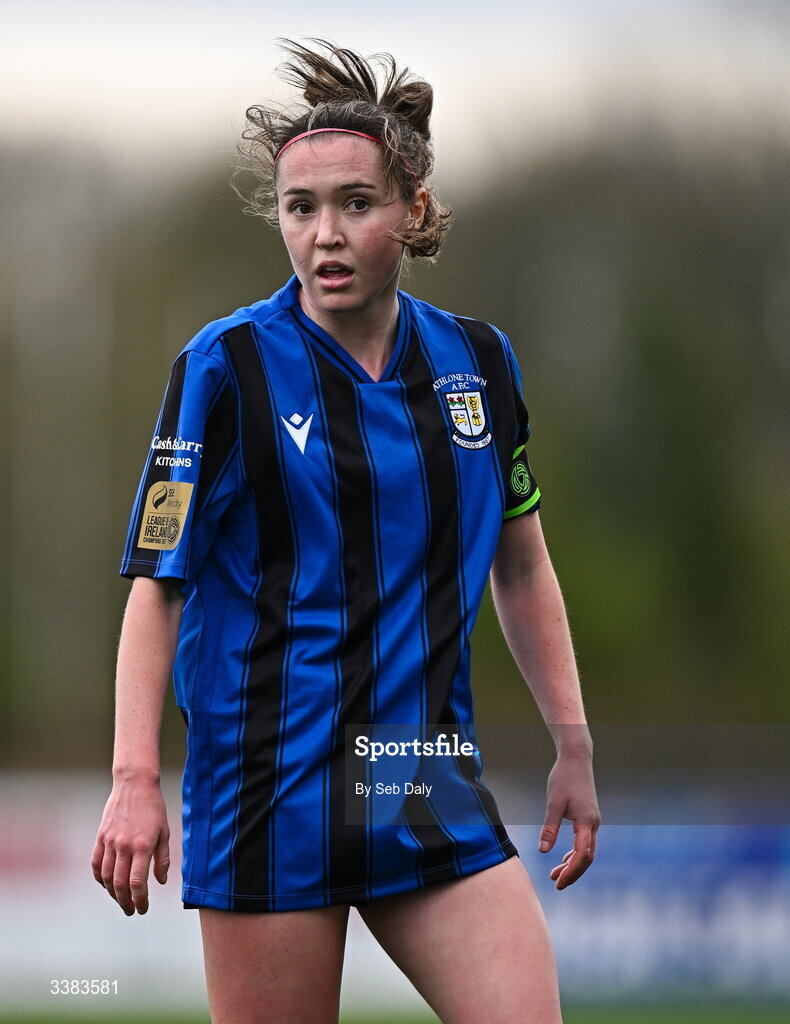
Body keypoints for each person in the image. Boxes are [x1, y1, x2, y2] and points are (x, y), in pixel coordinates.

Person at [92, 38, 600, 1024]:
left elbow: (523, 564)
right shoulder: (223, 368)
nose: (324, 233)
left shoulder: (478, 366)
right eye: (300, 208)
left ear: (410, 211)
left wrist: (570, 742)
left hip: (419, 774)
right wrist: (134, 776)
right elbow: (158, 585)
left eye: (354, 205)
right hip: (267, 786)